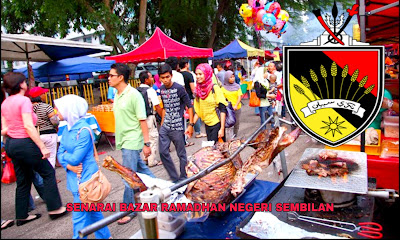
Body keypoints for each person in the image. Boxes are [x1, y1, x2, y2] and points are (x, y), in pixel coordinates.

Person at [1, 72, 67, 226]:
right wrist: (42, 147)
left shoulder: (5, 103)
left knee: (23, 180)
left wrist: (13, 128)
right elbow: (29, 126)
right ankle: (55, 208)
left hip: (11, 143)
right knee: (48, 172)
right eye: (25, 82)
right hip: (25, 142)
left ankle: (21, 215)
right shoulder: (24, 101)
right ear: (20, 84)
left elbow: (4, 129)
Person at [55, 95, 111, 239]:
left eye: (59, 108)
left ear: (69, 110)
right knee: (93, 213)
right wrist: (68, 165)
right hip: (76, 179)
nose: (56, 111)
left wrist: (67, 159)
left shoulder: (84, 131)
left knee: (79, 220)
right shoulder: (66, 128)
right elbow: (60, 153)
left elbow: (74, 158)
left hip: (85, 180)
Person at [108, 63, 155, 225]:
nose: (108, 78)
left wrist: (146, 143)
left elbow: (142, 120)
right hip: (124, 140)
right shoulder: (117, 94)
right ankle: (163, 191)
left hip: (133, 140)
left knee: (127, 175)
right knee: (142, 171)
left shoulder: (134, 95)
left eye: (111, 75)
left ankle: (129, 210)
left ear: (120, 77)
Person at [158, 64, 194, 183]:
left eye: (167, 77)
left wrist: (191, 125)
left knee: (181, 154)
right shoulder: (162, 89)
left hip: (178, 126)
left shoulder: (179, 88)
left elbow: (189, 106)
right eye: (163, 78)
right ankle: (174, 178)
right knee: (163, 152)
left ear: (171, 76)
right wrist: (162, 124)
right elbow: (164, 108)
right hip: (166, 125)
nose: (165, 80)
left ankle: (183, 178)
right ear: (160, 78)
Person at [193, 63, 228, 143]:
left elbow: (223, 109)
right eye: (196, 74)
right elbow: (198, 111)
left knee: (217, 151)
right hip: (207, 125)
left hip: (217, 124)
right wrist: (191, 125)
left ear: (207, 74)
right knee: (212, 150)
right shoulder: (198, 90)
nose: (198, 76)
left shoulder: (214, 88)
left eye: (200, 74)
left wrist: (222, 129)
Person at [137, 71, 163, 167]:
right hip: (149, 117)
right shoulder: (150, 91)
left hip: (139, 119)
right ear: (146, 80)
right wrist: (163, 117)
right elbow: (157, 106)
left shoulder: (136, 91)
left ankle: (145, 157)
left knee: (144, 137)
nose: (152, 79)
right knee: (152, 137)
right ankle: (152, 160)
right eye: (150, 77)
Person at [179, 58, 207, 140]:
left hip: (181, 99)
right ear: (186, 64)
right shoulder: (189, 75)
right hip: (189, 98)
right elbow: (192, 89)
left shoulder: (178, 74)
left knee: (184, 116)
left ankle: (185, 132)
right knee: (195, 113)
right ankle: (198, 132)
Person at [221, 70, 243, 139]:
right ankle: (229, 137)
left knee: (237, 122)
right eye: (230, 77)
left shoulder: (237, 86)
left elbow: (239, 97)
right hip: (228, 109)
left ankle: (235, 135)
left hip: (237, 107)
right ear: (227, 78)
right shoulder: (223, 88)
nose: (232, 78)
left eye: (233, 77)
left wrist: (236, 105)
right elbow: (222, 98)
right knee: (229, 123)